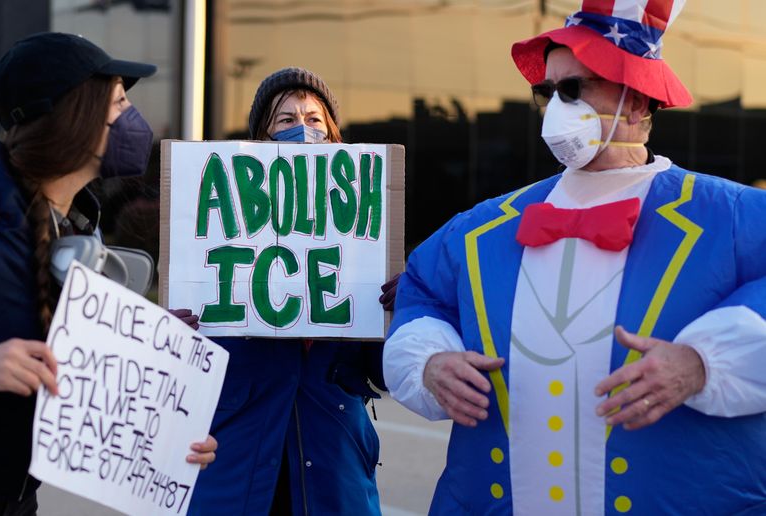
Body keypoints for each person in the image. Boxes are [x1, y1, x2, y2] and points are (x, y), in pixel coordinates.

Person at [384, 1, 766, 514]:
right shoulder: (483, 228)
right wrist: (430, 361)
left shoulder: (736, 217)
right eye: (548, 91)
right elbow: (421, 295)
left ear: (636, 101)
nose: (556, 107)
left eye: (574, 89)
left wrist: (701, 362)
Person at [0, 32, 216, 515]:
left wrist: (171, 431)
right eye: (119, 102)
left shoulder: (81, 234)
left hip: (16, 501)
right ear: (74, 117)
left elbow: (82, 386)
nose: (134, 121)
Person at [186, 67, 397, 516]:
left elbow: (384, 373)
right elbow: (191, 375)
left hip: (334, 475)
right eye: (285, 120)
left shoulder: (363, 239)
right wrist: (180, 331)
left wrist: (396, 317)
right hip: (239, 471)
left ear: (334, 135)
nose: (302, 129)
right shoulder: (217, 240)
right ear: (261, 140)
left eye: (314, 119)